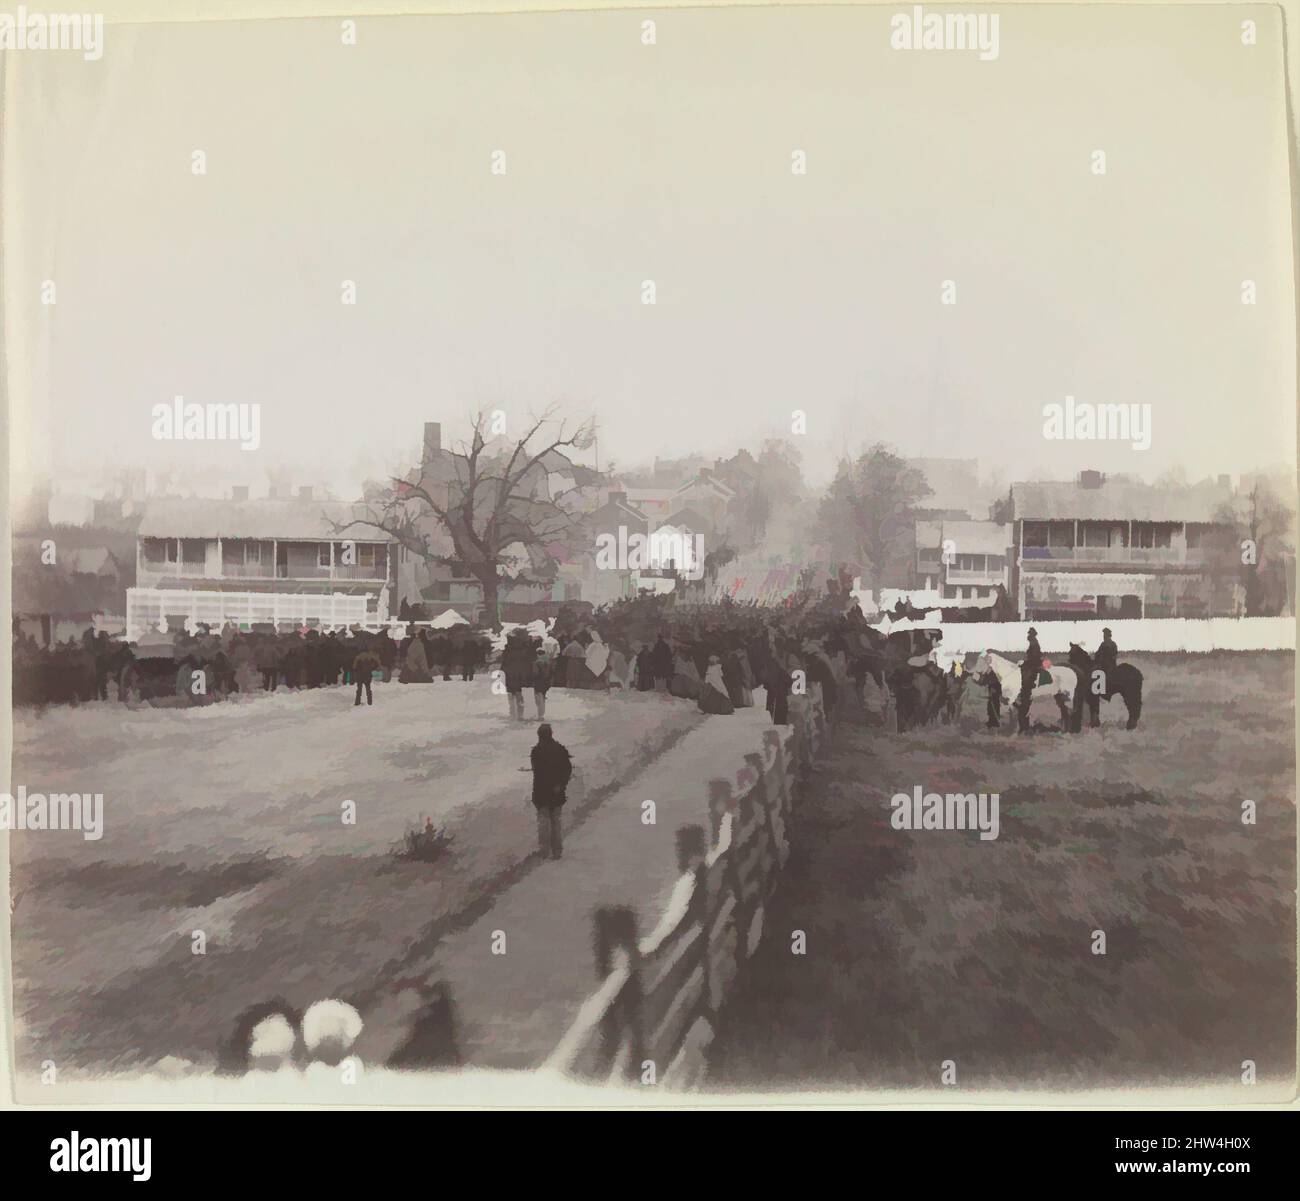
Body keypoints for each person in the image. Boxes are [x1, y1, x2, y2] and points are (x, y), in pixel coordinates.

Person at [529, 724, 572, 859]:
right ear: (551, 734)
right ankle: (557, 851)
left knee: (543, 823)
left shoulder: (536, 751)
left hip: (541, 793)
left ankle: (544, 851)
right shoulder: (560, 749)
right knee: (556, 822)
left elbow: (537, 772)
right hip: (556, 792)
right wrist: (561, 784)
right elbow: (567, 769)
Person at [1016, 627, 1043, 732]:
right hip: (1032, 665)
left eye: (1030, 634)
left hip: (1033, 667)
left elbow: (1034, 659)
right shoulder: (1033, 644)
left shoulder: (1034, 644)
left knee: (1027, 679)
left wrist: (1025, 663)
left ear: (1032, 635)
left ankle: (1026, 688)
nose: (1028, 636)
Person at [352, 641, 380, 706]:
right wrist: (372, 669)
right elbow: (377, 664)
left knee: (359, 689)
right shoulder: (371, 656)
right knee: (368, 689)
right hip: (368, 674)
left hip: (360, 675)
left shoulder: (358, 657)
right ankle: (369, 702)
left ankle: (357, 702)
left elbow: (354, 667)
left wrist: (357, 671)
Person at [532, 646, 554, 720]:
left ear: (537, 654)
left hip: (538, 682)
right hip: (546, 682)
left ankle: (540, 715)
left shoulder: (537, 663)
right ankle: (542, 714)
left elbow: (535, 673)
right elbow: (552, 673)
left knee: (539, 698)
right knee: (543, 698)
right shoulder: (548, 662)